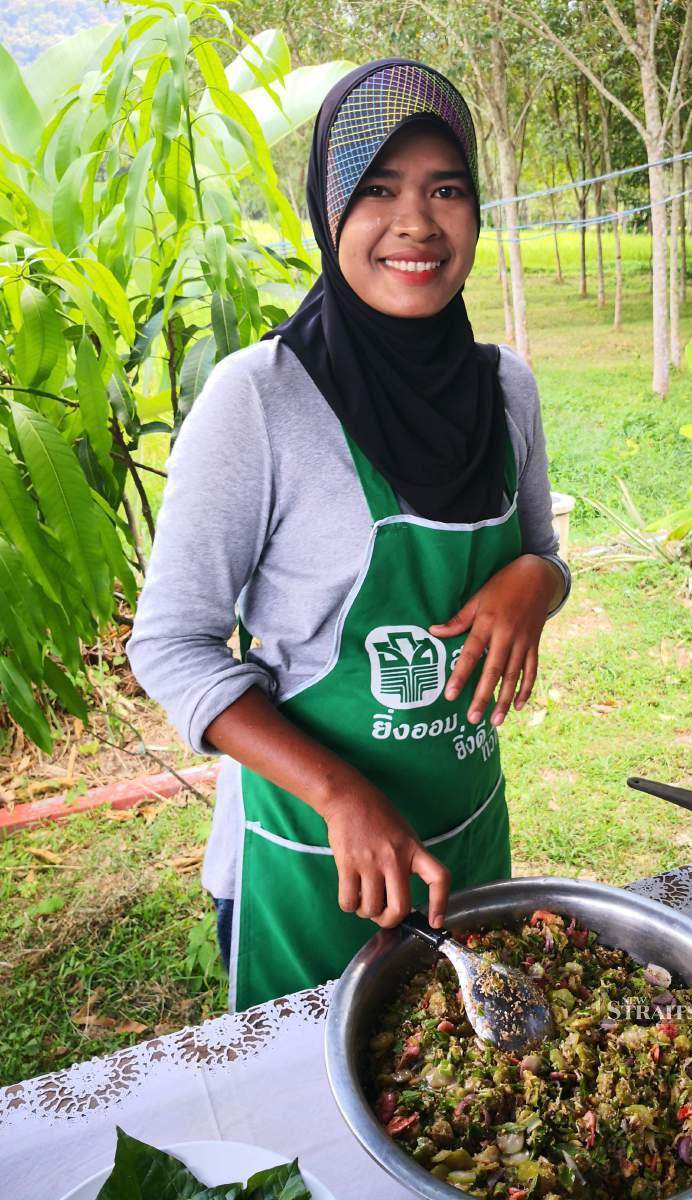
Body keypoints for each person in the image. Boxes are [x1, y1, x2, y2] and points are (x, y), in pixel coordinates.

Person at [127, 58, 571, 1011]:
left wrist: (538, 580)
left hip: (465, 831)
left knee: (465, 1106)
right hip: (309, 856)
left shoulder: (506, 388)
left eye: (446, 189)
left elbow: (543, 550)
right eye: (378, 190)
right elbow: (170, 646)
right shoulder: (260, 399)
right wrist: (338, 794)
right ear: (330, 213)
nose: (416, 222)